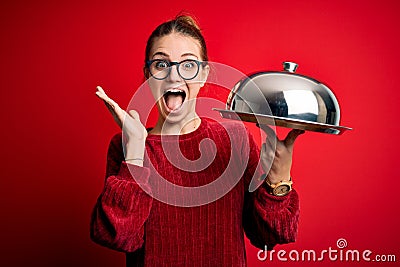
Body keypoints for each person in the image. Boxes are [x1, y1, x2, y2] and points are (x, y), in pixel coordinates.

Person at [90, 15, 303, 267]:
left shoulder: (235, 140)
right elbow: (117, 236)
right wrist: (136, 150)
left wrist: (278, 179)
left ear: (204, 75)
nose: (173, 77)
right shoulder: (125, 145)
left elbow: (269, 236)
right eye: (161, 64)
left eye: (188, 65)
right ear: (148, 74)